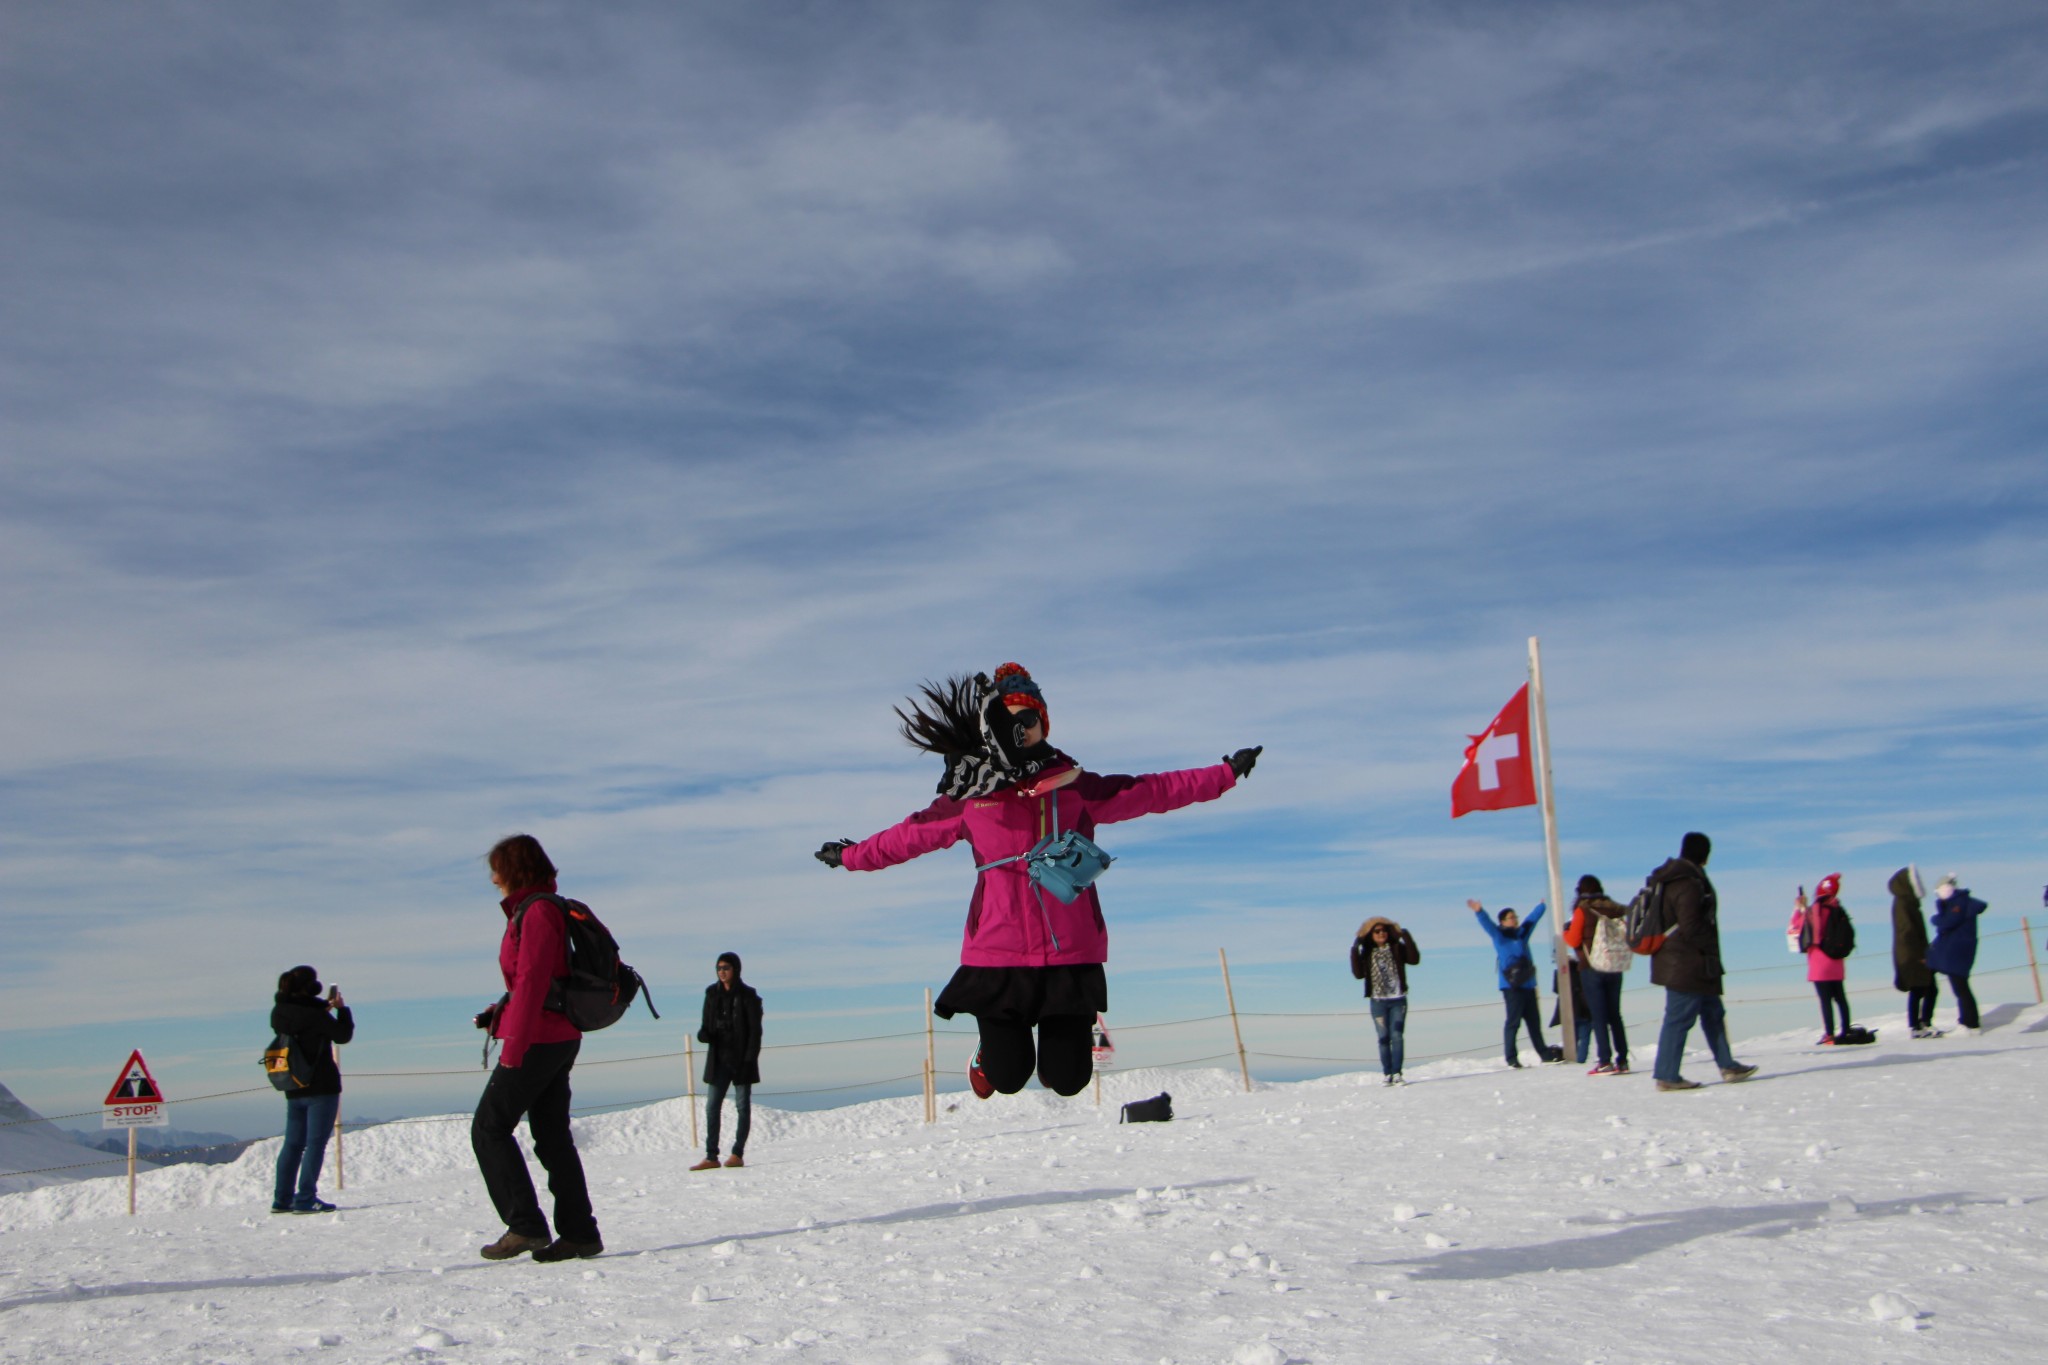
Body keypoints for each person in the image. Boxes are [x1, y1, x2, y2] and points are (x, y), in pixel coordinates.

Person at [816, 663, 1260, 1099]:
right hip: (997, 953)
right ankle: (987, 1053)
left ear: (1044, 726)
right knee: (1007, 1077)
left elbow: (1152, 790)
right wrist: (852, 856)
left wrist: (1224, 774)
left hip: (1070, 951)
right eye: (1010, 722)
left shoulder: (1075, 787)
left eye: (1029, 721)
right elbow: (908, 836)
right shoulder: (972, 797)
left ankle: (1051, 1058)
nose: (1021, 731)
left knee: (1068, 1079)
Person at [471, 833, 603, 1262]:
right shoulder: (534, 910)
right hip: (552, 1035)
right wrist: (500, 1012)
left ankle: (525, 1225)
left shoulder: (539, 910)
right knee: (550, 1137)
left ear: (514, 870)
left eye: (497, 869)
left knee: (489, 1127)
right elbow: (532, 984)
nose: (492, 878)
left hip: (540, 1039)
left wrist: (515, 1045)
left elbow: (532, 980)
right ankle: (580, 1233)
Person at [1649, 832, 1757, 1091]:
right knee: (1679, 1018)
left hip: (1690, 962)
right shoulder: (1688, 883)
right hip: (1687, 963)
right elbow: (1691, 925)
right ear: (1704, 854)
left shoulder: (1676, 879)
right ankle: (1667, 1075)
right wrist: (1709, 949)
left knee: (1713, 1014)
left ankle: (1727, 1065)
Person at [269, 966, 354, 1214]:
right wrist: (341, 1010)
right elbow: (342, 1035)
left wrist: (321, 1009)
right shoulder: (315, 1015)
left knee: (293, 1144)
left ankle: (281, 1199)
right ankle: (305, 1198)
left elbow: (303, 1024)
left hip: (293, 1084)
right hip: (322, 1087)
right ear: (309, 987)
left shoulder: (279, 1012)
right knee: (315, 1144)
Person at [691, 952, 763, 1170]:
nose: (722, 972)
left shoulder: (749, 996)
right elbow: (706, 1025)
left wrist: (749, 1060)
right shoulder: (711, 994)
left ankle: (737, 1153)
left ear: (736, 969)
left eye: (726, 968)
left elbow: (755, 1032)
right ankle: (711, 1156)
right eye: (719, 968)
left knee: (742, 1107)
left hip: (742, 1060)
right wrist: (704, 1034)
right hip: (719, 1060)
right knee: (712, 1107)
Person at [1469, 900, 1561, 1068]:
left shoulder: (1522, 934)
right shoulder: (1500, 936)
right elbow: (1487, 925)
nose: (1515, 920)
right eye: (1511, 917)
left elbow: (1531, 920)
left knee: (1534, 1022)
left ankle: (1545, 1054)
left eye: (1515, 917)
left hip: (1528, 986)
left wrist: (1542, 905)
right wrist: (1479, 911)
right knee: (1513, 1022)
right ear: (1503, 921)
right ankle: (1511, 1058)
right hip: (1511, 987)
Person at [1563, 874, 1632, 1074]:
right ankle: (1623, 1059)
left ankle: (1604, 1060)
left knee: (1599, 1016)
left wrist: (1566, 931)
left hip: (1592, 966)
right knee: (1615, 1014)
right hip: (1614, 965)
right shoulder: (1614, 908)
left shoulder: (1582, 910)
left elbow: (1574, 940)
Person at [1350, 918, 1420, 1085]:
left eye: (1384, 930)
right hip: (1378, 1001)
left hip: (1398, 1000)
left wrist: (1405, 936)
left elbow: (1414, 959)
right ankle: (1387, 1074)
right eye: (1377, 931)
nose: (1381, 933)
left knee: (1396, 1036)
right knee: (1383, 1037)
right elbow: (1358, 974)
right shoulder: (1367, 953)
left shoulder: (1397, 948)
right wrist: (1356, 946)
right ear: (1370, 935)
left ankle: (1397, 1073)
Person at [1791, 874, 1853, 1043]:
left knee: (1825, 1000)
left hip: (1819, 963)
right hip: (1836, 962)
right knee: (1840, 997)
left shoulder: (1813, 910)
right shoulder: (1839, 909)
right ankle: (1846, 1029)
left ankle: (1829, 1034)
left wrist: (1799, 908)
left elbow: (1796, 927)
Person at [1928, 873, 1986, 1034]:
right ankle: (1967, 1021)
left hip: (1957, 950)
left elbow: (1948, 922)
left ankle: (1971, 1024)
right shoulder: (1959, 903)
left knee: (1961, 987)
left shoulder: (1958, 904)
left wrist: (1936, 919)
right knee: (1960, 987)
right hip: (1958, 949)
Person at [1890, 866, 1940, 1037]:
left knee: (1923, 988)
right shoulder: (1904, 904)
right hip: (1912, 954)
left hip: (1913, 952)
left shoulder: (1906, 902)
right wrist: (1919, 955)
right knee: (1922, 988)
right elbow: (1907, 931)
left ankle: (1920, 1024)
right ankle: (1919, 1026)